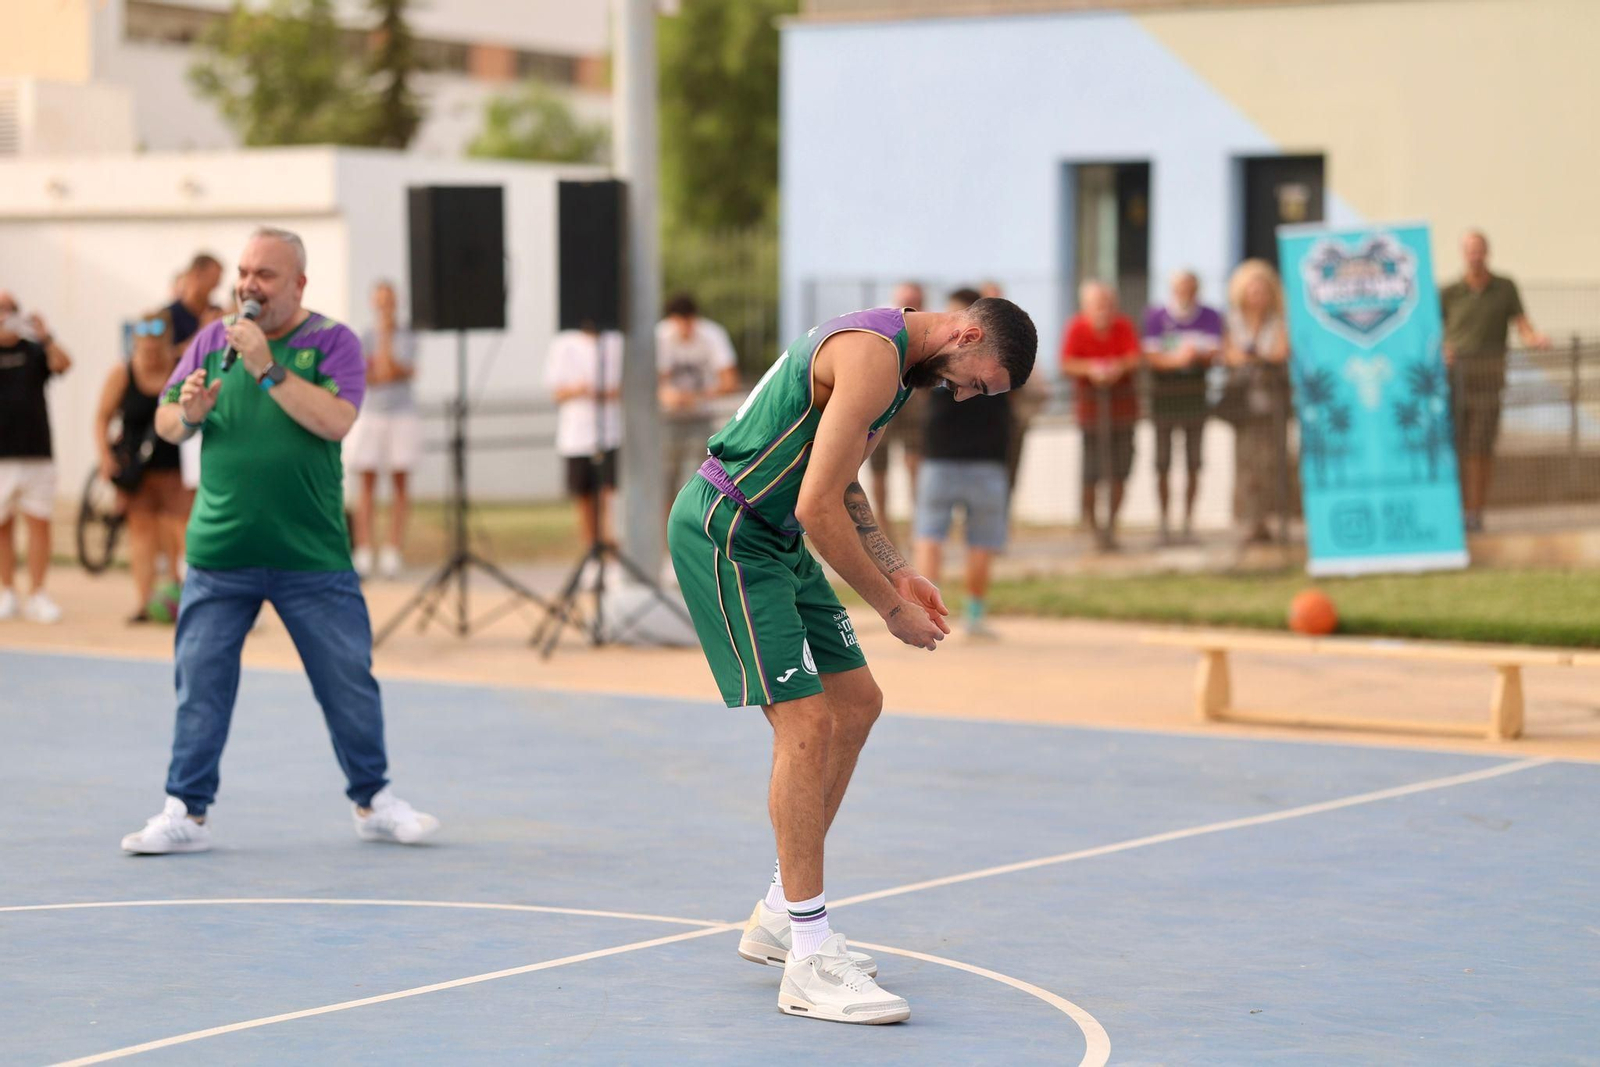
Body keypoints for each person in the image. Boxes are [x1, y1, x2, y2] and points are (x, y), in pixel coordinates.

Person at [667, 297, 1037, 1024]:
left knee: (857, 703)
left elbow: (840, 478)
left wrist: (898, 571)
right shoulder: (872, 352)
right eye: (977, 382)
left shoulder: (896, 359)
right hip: (731, 530)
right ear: (965, 335)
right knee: (804, 724)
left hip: (772, 534)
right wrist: (888, 608)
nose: (966, 396)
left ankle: (780, 912)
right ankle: (807, 953)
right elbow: (816, 506)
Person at [119, 226, 438, 855]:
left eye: (265, 274)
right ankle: (186, 811)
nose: (248, 285)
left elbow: (337, 419)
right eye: (244, 271)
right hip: (219, 551)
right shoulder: (212, 341)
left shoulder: (333, 342)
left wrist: (267, 369)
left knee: (347, 680)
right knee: (201, 682)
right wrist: (187, 411)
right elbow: (164, 419)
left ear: (299, 284)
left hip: (309, 553)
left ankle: (373, 801)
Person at [912, 287, 1012, 639]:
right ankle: (974, 616)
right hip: (986, 458)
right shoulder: (1001, 352)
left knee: (929, 535)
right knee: (980, 541)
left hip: (941, 456)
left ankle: (927, 614)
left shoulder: (941, 352)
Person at [1441, 230, 1550, 532]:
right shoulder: (1449, 292)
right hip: (1454, 381)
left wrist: (1535, 339)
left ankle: (1474, 512)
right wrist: (1441, 350)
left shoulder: (1504, 287)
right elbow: (1432, 332)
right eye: (1469, 250)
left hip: (1489, 380)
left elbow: (1523, 324)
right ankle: (1454, 511)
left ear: (1487, 252)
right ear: (1464, 254)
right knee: (1455, 447)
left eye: (1479, 250)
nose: (1475, 255)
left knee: (1480, 447)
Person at [94, 309, 192, 621]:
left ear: (167, 343)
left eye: (156, 349)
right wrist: (105, 458)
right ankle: (144, 601)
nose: (150, 355)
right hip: (139, 471)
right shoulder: (122, 374)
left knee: (182, 532)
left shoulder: (182, 368)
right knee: (142, 533)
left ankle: (183, 596)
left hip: (177, 469)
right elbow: (102, 417)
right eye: (144, 348)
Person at [0, 290, 72, 624]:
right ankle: (6, 592)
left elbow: (64, 363)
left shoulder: (34, 350)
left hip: (36, 454)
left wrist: (45, 336)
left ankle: (38, 593)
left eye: (9, 309)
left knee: (39, 523)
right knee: (2, 526)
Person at [1143, 270, 1223, 544]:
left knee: (1193, 463)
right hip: (1164, 399)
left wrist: (1195, 357)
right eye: (1180, 288)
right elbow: (1151, 356)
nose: (1185, 293)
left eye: (1190, 288)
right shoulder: (1156, 316)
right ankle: (1164, 523)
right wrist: (1178, 360)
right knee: (1163, 463)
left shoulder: (1210, 316)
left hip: (1195, 399)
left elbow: (1214, 352)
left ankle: (1188, 523)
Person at [347, 280, 420, 579]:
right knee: (367, 483)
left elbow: (394, 369)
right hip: (372, 414)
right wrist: (385, 368)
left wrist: (387, 342)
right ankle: (364, 549)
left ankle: (393, 550)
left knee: (400, 484)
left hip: (402, 415)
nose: (384, 307)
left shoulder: (407, 335)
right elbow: (370, 376)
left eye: (388, 301)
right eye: (380, 301)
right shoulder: (364, 336)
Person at [1060, 280, 1140, 551]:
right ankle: (1094, 529)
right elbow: (1067, 363)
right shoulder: (1076, 327)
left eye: (1107, 302)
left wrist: (1116, 367)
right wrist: (1092, 369)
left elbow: (1134, 357)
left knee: (1121, 472)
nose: (1103, 308)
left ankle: (1111, 527)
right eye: (1097, 303)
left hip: (1123, 412)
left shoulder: (1124, 326)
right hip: (1090, 414)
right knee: (1090, 475)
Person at [1222, 259, 1294, 544]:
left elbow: (1280, 353)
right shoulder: (1231, 322)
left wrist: (1255, 357)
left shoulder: (1280, 321)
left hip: (1274, 403)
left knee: (1271, 464)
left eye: (1262, 290)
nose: (1257, 296)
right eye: (1252, 290)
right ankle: (1250, 520)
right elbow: (1230, 355)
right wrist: (1257, 358)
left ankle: (1269, 520)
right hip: (1243, 406)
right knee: (1246, 464)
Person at [657, 293, 739, 511]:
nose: (685, 328)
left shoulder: (712, 335)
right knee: (665, 477)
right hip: (668, 419)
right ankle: (666, 535)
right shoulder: (661, 336)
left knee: (699, 476)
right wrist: (667, 394)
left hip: (701, 417)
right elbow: (655, 381)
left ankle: (694, 525)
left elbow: (729, 380)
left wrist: (699, 396)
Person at [545, 321, 623, 549]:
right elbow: (556, 391)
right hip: (576, 434)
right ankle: (591, 545)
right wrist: (578, 390)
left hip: (610, 432)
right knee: (584, 494)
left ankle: (610, 544)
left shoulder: (615, 341)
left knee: (608, 491)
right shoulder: (564, 344)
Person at [866, 281, 927, 539]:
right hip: (883, 403)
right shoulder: (882, 324)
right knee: (879, 467)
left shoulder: (928, 325)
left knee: (915, 462)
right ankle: (884, 524)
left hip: (913, 406)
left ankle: (918, 522)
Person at [165, 253, 224, 348]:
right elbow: (160, 357)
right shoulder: (168, 315)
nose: (215, 286)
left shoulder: (216, 312)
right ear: (196, 275)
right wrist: (203, 332)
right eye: (212, 280)